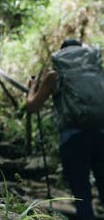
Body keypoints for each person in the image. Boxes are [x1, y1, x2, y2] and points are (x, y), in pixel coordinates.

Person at [26, 39, 104, 220]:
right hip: (101, 136)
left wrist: (32, 88)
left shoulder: (55, 75)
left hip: (73, 139)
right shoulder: (96, 71)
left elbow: (32, 106)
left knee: (82, 194)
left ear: (62, 55)